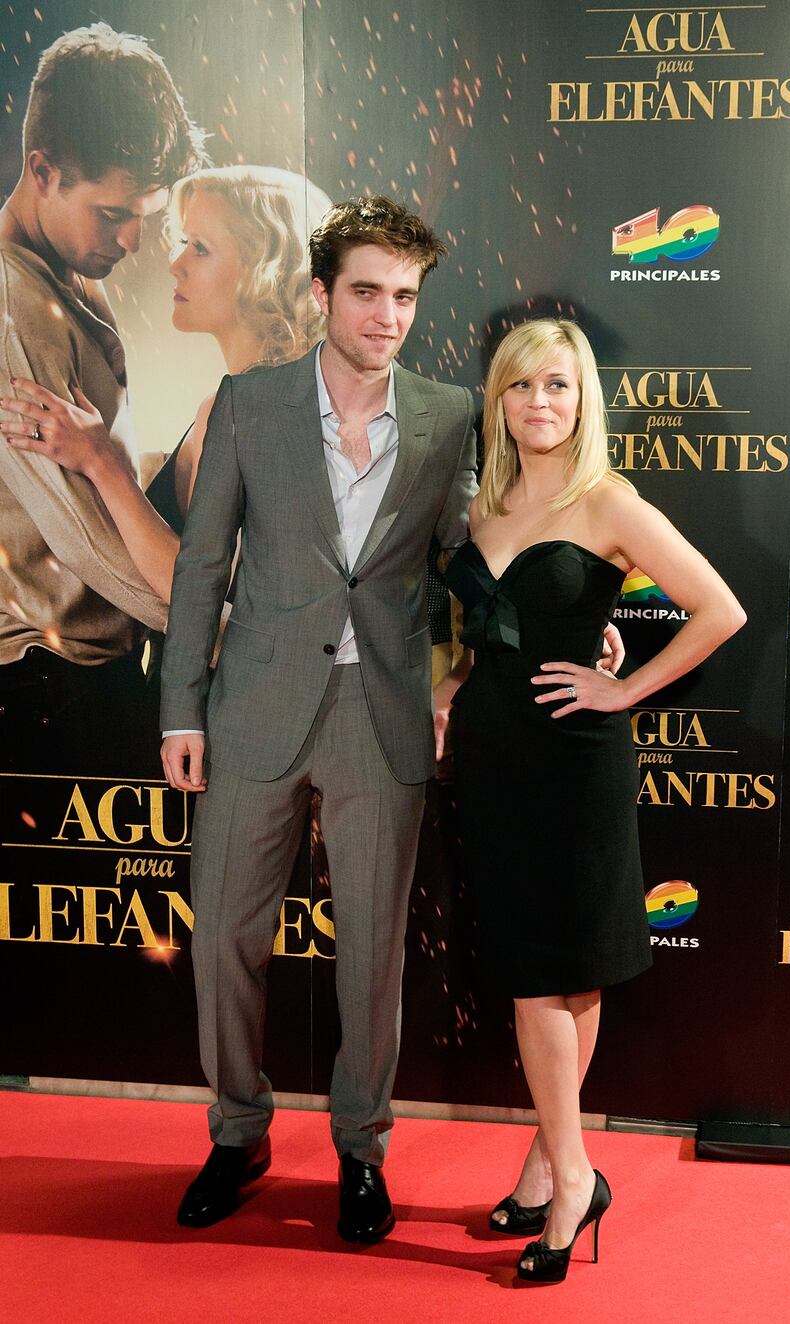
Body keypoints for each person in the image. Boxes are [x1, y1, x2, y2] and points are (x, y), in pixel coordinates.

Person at [158, 195, 477, 1243]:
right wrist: (180, 712)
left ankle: (360, 1147)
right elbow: (202, 569)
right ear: (318, 294)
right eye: (367, 293)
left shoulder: (446, 417)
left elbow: (470, 566)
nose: (387, 316)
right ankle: (238, 1129)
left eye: (404, 297)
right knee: (224, 946)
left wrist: (484, 662)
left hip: (378, 711)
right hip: (252, 704)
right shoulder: (247, 402)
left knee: (371, 954)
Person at [435, 318, 745, 1284]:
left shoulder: (606, 500)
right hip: (491, 760)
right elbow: (483, 628)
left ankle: (571, 1177)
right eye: (524, 386)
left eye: (559, 387)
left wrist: (623, 683)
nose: (540, 403)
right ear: (500, 399)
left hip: (574, 761)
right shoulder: (480, 507)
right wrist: (452, 683)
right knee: (555, 976)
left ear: (583, 400)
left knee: (558, 973)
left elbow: (720, 608)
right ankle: (545, 1164)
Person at [0, 22, 205, 774]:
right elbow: (88, 543)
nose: (130, 244)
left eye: (143, 219)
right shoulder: (13, 311)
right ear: (42, 169)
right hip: (45, 688)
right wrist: (227, 634)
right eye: (113, 214)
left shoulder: (65, 271)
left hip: (88, 675)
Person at [2, 166, 332, 606]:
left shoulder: (245, 411)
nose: (175, 265)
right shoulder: (280, 398)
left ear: (264, 270)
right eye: (183, 242)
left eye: (200, 248)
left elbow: (204, 596)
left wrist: (103, 463)